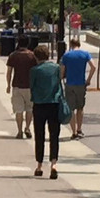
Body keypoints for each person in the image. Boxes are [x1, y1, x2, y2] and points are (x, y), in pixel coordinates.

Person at [29, 45, 63, 179]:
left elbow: (32, 86)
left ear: (36, 57)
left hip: (39, 104)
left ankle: (39, 165)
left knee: (39, 135)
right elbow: (59, 83)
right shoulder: (56, 68)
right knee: (54, 135)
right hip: (53, 104)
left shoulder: (34, 70)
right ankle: (54, 164)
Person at [60, 38, 96, 140]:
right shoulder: (85, 54)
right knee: (80, 108)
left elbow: (62, 70)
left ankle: (74, 131)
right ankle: (79, 129)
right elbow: (93, 67)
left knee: (71, 109)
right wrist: (88, 80)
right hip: (81, 83)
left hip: (70, 84)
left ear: (71, 44)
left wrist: (62, 78)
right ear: (79, 44)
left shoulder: (66, 55)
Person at [5, 37, 37, 139]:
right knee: (29, 108)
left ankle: (19, 131)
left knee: (18, 110)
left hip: (17, 85)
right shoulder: (32, 56)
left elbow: (9, 72)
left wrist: (8, 85)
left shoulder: (13, 55)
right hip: (30, 86)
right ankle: (27, 128)